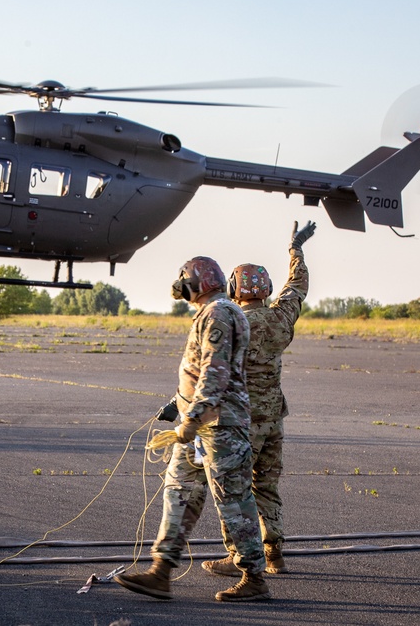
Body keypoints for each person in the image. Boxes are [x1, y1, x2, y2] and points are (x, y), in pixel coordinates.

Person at [114, 256, 271, 602]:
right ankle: (160, 571)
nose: (181, 287)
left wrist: (192, 418)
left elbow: (215, 372)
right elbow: (201, 370)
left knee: (233, 501)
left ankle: (255, 578)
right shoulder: (216, 313)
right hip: (201, 426)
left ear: (197, 283)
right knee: (179, 491)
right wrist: (179, 404)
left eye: (185, 280)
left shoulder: (218, 314)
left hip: (219, 426)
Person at [202, 220, 315, 578]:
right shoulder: (280, 318)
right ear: (265, 289)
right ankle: (275, 555)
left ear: (235, 290)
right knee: (266, 486)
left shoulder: (231, 322)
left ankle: (238, 555)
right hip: (272, 421)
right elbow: (297, 286)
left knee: (233, 490)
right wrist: (295, 248)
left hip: (238, 423)